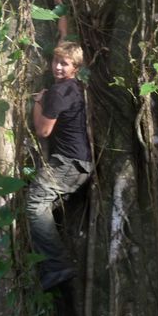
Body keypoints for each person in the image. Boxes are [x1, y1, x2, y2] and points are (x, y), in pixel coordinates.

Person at [28, 40, 92, 290]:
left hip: (68, 164)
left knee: (34, 206)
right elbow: (63, 41)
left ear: (75, 67)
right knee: (44, 207)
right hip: (81, 166)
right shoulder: (76, 88)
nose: (57, 67)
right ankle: (49, 264)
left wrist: (37, 103)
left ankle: (58, 265)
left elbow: (43, 131)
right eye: (55, 61)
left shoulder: (56, 93)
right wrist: (62, 15)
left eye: (64, 64)